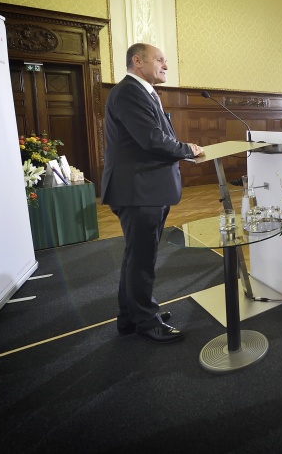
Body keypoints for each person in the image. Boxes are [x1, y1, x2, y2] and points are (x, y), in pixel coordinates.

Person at [102, 43, 204, 343]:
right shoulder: (129, 92)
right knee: (142, 258)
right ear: (138, 61)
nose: (166, 66)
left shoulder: (142, 92)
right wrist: (188, 149)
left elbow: (156, 135)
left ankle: (130, 316)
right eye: (159, 60)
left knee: (137, 256)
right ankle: (146, 320)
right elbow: (150, 139)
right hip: (138, 189)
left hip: (145, 188)